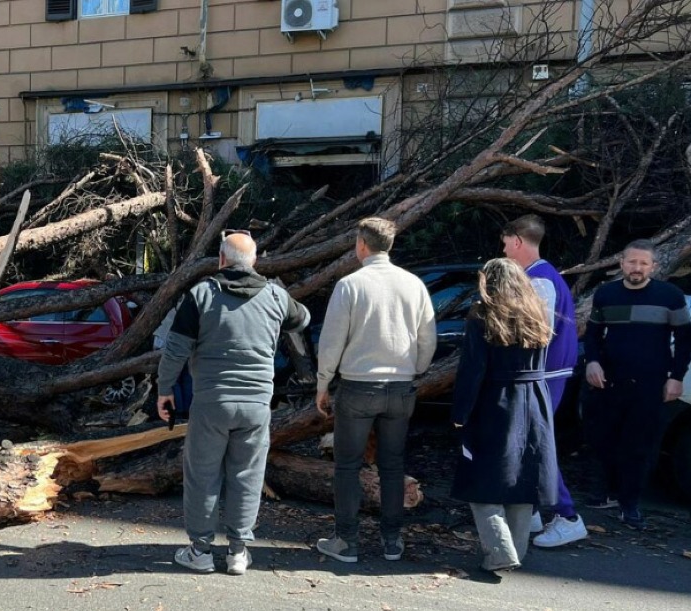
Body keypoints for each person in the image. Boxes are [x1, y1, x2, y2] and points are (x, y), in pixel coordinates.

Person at [156, 231, 310, 575]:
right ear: (254, 261)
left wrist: (164, 389)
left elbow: (175, 348)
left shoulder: (201, 295)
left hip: (212, 403)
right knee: (248, 476)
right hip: (256, 404)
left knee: (202, 476)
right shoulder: (275, 296)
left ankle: (200, 551)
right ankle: (238, 551)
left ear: (221, 260)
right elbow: (304, 320)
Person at [315, 217, 437, 564]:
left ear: (361, 244)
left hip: (357, 386)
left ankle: (347, 541)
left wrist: (323, 383)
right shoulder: (413, 284)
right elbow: (428, 337)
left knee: (348, 467)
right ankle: (392, 541)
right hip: (400, 386)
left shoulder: (350, 285)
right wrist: (416, 368)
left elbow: (332, 340)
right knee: (393, 465)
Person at [451, 258, 558, 574]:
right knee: (523, 477)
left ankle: (500, 551)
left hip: (496, 400)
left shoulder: (482, 316)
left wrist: (460, 413)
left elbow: (472, 370)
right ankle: (515, 550)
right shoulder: (536, 313)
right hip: (535, 400)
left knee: (482, 478)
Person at [583, 239, 691, 529]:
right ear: (621, 264)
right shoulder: (606, 295)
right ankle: (603, 494)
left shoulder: (670, 296)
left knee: (639, 446)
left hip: (651, 384)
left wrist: (677, 377)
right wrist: (592, 362)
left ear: (654, 267)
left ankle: (630, 506)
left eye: (643, 263)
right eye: (632, 262)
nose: (637, 268)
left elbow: (684, 341)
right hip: (609, 382)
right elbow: (592, 335)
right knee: (604, 440)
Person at [499, 215, 587, 547]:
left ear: (518, 241)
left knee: (536, 446)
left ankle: (567, 516)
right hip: (546, 373)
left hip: (543, 374)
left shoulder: (538, 280)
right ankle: (531, 510)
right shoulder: (540, 277)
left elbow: (537, 333)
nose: (504, 249)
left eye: (506, 242)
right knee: (530, 445)